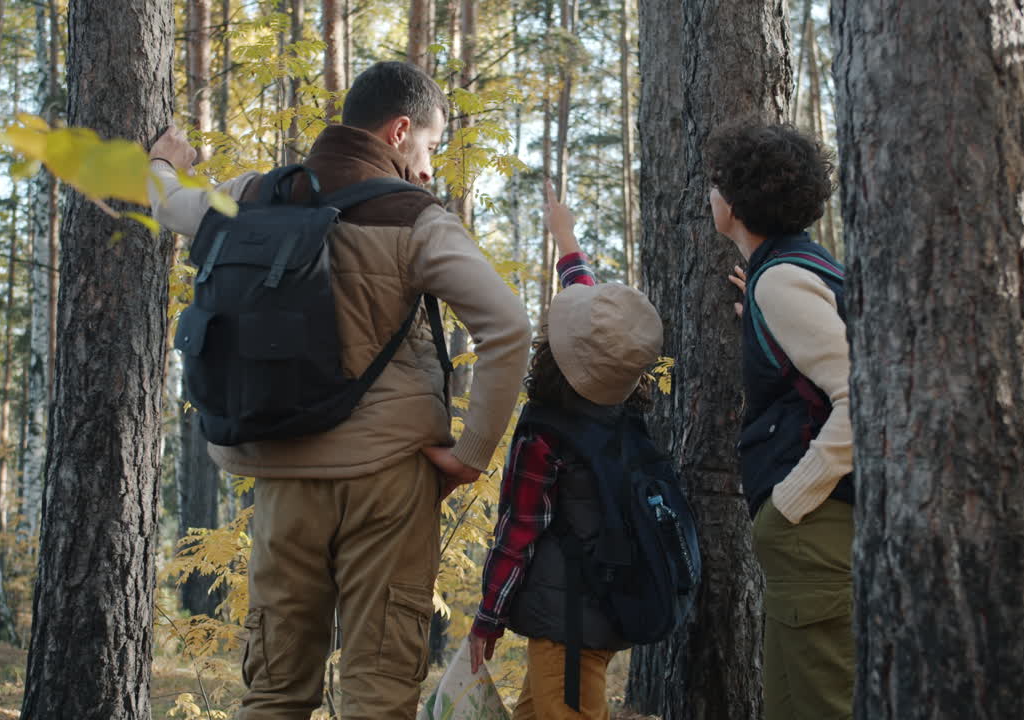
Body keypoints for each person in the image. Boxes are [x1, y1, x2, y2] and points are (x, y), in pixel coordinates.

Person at [148, 61, 532, 720]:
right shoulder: (416, 217)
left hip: (281, 479)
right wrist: (470, 455)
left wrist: (162, 161)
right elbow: (507, 326)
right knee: (378, 696)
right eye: (431, 146)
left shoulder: (257, 194)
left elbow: (171, 205)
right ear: (400, 130)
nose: (430, 166)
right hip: (387, 482)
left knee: (271, 691)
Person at [467, 181, 663, 720]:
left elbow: (517, 532)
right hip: (605, 609)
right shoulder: (618, 405)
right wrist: (565, 238)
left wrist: (488, 617)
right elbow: (602, 324)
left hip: (568, 627)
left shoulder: (545, 433)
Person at [709, 120, 854, 720]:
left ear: (738, 203)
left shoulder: (784, 280)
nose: (709, 194)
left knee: (823, 706)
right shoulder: (795, 269)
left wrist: (793, 497)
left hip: (815, 526)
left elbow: (860, 399)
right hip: (816, 532)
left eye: (716, 183)